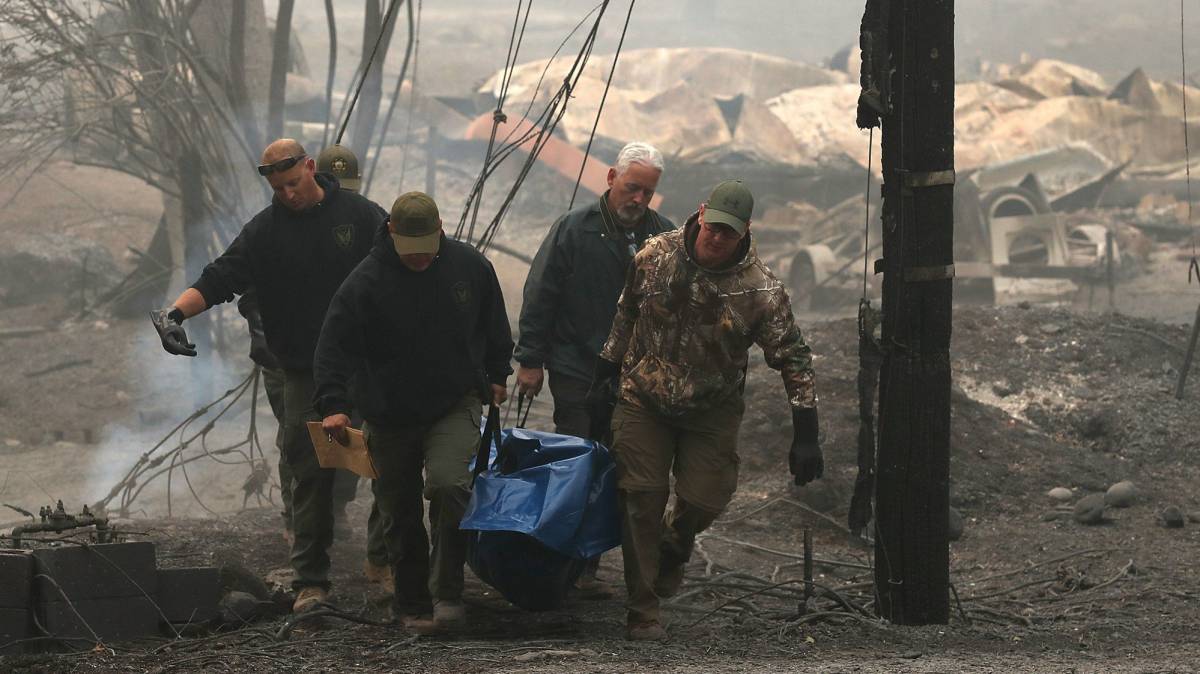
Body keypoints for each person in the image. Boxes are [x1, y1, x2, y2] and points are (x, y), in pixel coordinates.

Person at [149, 138, 387, 613]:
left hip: (370, 362)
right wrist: (174, 314)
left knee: (389, 460)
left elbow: (403, 268)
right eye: (279, 188)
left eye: (294, 183)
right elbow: (220, 278)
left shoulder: (360, 216)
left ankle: (388, 562)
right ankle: (311, 581)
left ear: (311, 169)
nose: (289, 195)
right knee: (307, 470)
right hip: (305, 368)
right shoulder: (265, 231)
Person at [591, 180, 824, 641]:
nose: (718, 238)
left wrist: (807, 431)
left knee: (704, 498)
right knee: (640, 497)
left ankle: (675, 547)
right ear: (701, 214)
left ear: (745, 233)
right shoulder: (655, 256)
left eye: (729, 233)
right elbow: (626, 313)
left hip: (711, 406)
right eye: (714, 227)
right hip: (644, 397)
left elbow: (793, 357)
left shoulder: (760, 289)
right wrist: (604, 372)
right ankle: (643, 611)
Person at [313, 191, 514, 633]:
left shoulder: (469, 266)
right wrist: (334, 405)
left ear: (440, 230)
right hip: (388, 412)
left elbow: (495, 324)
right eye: (410, 252)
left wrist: (498, 373)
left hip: (453, 400)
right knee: (398, 510)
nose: (419, 259)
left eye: (427, 250)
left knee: (448, 485)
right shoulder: (365, 282)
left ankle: (447, 594)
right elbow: (333, 347)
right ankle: (411, 601)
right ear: (391, 233)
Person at [514, 141, 674, 597]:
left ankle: (594, 562)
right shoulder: (574, 229)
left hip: (636, 378)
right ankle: (566, 562)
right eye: (631, 188)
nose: (638, 199)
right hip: (577, 368)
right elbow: (540, 294)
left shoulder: (662, 237)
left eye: (647, 192)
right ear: (610, 179)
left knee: (620, 469)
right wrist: (530, 359)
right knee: (578, 462)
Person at [233, 143, 390, 588]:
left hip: (353, 357)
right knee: (301, 447)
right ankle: (303, 532)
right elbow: (253, 294)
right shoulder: (273, 231)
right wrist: (276, 349)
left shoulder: (359, 218)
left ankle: (348, 523)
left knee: (362, 442)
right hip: (291, 360)